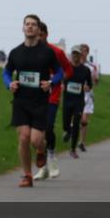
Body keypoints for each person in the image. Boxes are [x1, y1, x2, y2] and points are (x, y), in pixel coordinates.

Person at [3, 15, 62, 187]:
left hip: (40, 102)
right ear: (23, 28)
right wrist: (9, 84)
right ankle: (27, 175)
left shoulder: (47, 52)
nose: (30, 27)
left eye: (33, 25)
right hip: (21, 101)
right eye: (27, 24)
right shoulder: (16, 52)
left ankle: (41, 149)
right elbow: (6, 73)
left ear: (38, 29)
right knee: (23, 138)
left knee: (36, 140)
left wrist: (51, 82)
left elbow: (59, 73)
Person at [37, 22, 72, 178]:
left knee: (48, 127)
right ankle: (42, 167)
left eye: (41, 35)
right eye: (36, 35)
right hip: (34, 97)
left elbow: (68, 69)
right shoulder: (30, 52)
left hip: (52, 95)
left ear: (46, 34)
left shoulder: (57, 52)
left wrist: (59, 79)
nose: (38, 38)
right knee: (37, 133)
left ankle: (51, 156)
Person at [62, 46, 93, 158]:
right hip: (67, 100)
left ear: (80, 56)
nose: (75, 56)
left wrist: (87, 87)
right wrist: (61, 84)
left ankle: (73, 149)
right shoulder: (66, 67)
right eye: (73, 54)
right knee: (66, 124)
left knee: (76, 124)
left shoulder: (85, 70)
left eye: (77, 54)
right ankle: (67, 131)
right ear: (71, 55)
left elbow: (90, 85)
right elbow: (60, 79)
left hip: (79, 101)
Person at [77, 43, 99, 150]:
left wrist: (94, 80)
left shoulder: (92, 66)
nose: (83, 52)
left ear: (87, 52)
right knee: (76, 118)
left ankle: (82, 142)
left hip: (87, 95)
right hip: (76, 94)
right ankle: (71, 133)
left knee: (84, 120)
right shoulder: (73, 64)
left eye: (85, 50)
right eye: (81, 50)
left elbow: (95, 82)